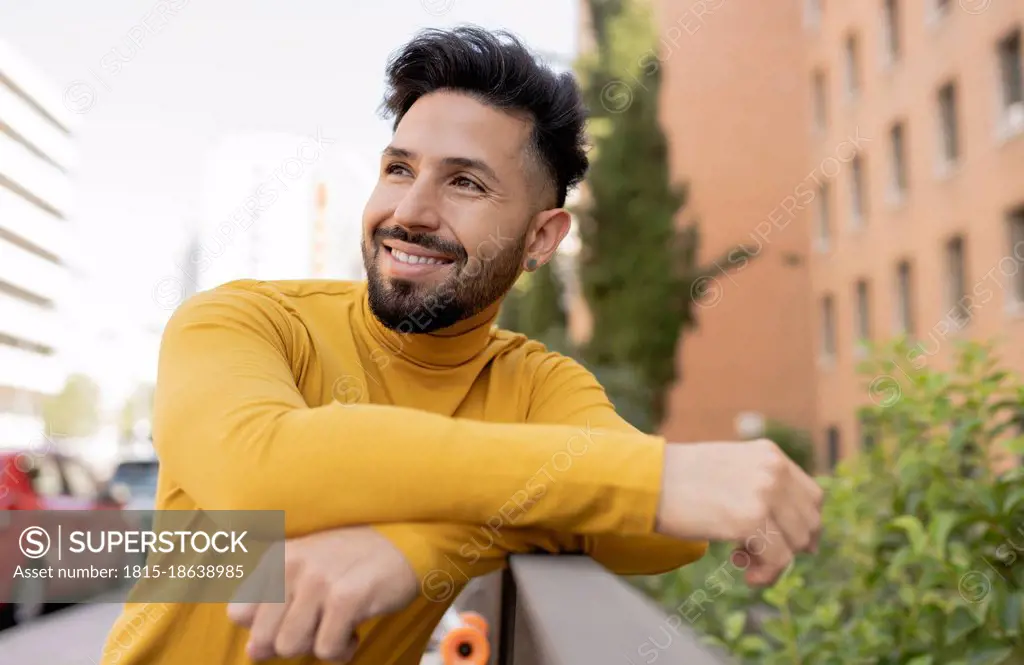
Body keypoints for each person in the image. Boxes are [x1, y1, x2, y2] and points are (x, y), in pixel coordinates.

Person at [100, 25, 822, 665]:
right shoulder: (242, 320)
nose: (409, 212)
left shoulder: (538, 386)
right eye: (398, 168)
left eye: (465, 183)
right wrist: (650, 480)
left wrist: (421, 550)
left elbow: (661, 538)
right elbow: (261, 465)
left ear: (541, 238)